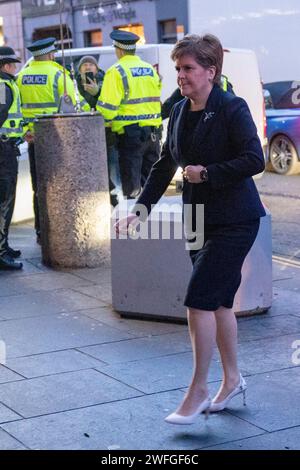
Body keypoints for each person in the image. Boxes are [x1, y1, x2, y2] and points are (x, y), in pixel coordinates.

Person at [115, 34, 266, 425]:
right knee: (219, 303)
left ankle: (198, 390)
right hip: (197, 218)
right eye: (178, 69)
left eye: (188, 69)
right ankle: (232, 379)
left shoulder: (232, 108)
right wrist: (139, 211)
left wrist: (208, 173)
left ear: (210, 72)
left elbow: (255, 158)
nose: (180, 76)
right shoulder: (180, 111)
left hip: (234, 219)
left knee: (198, 299)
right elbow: (165, 164)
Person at [17, 37, 78, 243]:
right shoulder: (58, 74)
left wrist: (25, 131)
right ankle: (61, 230)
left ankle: (41, 231)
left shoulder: (21, 76)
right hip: (57, 140)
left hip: (34, 139)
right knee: (61, 186)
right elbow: (73, 106)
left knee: (39, 188)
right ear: (51, 54)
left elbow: (16, 109)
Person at [97, 30, 162, 199]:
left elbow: (107, 109)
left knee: (132, 187)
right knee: (151, 184)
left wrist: (102, 120)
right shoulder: (149, 70)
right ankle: (152, 221)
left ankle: (134, 224)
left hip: (130, 137)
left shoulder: (116, 71)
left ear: (118, 50)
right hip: (154, 135)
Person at [76, 55, 121, 206]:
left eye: (91, 64)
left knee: (111, 167)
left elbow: (109, 102)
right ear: (79, 69)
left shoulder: (106, 80)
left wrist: (97, 92)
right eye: (84, 65)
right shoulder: (74, 84)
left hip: (107, 132)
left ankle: (116, 198)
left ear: (97, 68)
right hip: (84, 133)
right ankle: (105, 198)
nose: (88, 67)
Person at [0, 46, 24, 270]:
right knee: (4, 201)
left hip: (7, 146)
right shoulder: (3, 85)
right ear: (5, 65)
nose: (15, 68)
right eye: (12, 64)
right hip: (3, 150)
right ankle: (0, 252)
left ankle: (3, 246)